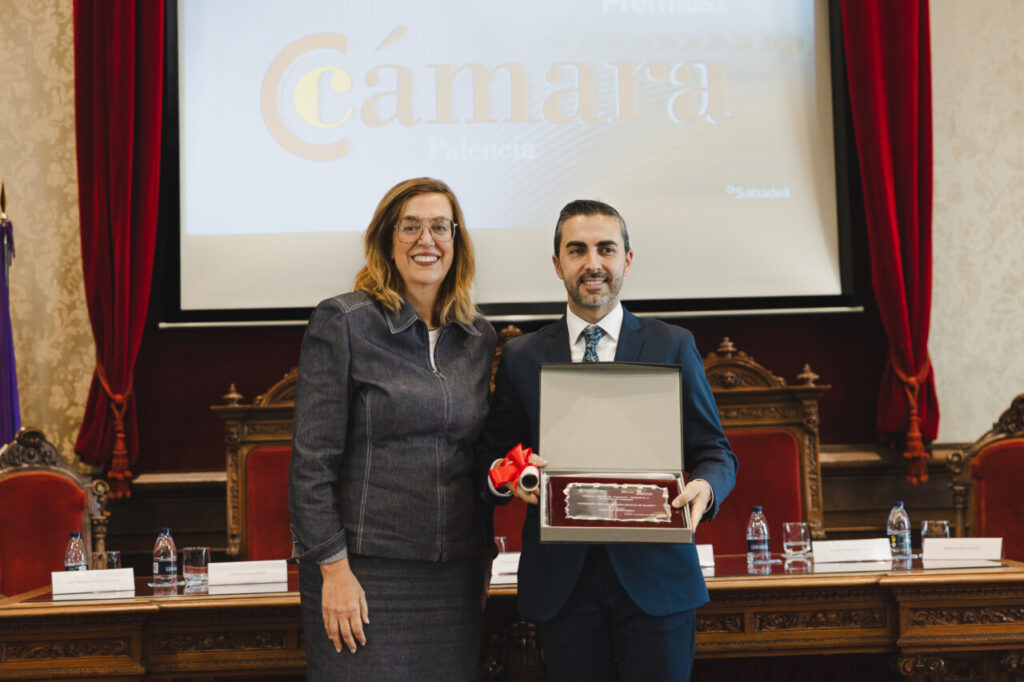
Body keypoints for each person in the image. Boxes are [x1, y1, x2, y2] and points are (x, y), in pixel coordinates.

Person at [476, 199, 737, 681]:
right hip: (562, 583)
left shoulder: (672, 345)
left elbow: (714, 451)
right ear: (557, 264)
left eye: (606, 249)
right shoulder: (521, 356)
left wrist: (707, 487)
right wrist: (514, 478)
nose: (592, 263)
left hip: (657, 577)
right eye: (577, 250)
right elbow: (493, 457)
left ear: (627, 261)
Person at [289, 178, 496, 680]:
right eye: (410, 227)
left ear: (456, 242)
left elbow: (476, 456)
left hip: (454, 576)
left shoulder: (478, 336)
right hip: (364, 572)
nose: (427, 240)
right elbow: (311, 464)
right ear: (386, 240)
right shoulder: (343, 322)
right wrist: (333, 571)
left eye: (440, 227)